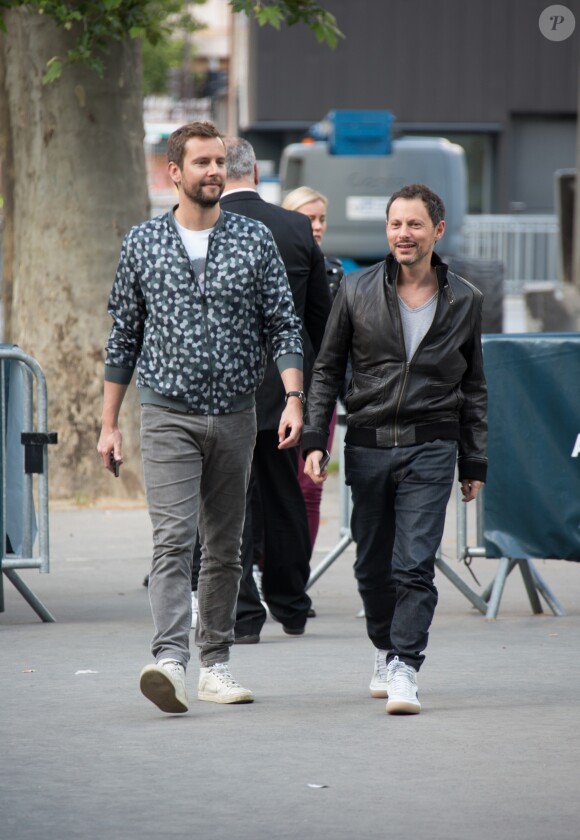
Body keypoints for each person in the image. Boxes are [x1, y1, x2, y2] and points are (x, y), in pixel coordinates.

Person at [97, 121, 305, 715]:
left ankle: (215, 663)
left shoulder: (253, 240)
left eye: (219, 162)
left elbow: (282, 324)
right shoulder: (143, 243)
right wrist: (109, 425)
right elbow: (124, 339)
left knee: (225, 546)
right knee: (173, 540)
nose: (214, 171)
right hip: (167, 415)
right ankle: (169, 660)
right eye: (202, 163)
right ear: (175, 173)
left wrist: (293, 396)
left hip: (238, 415)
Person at [302, 183, 487, 715]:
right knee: (372, 568)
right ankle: (385, 647)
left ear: (438, 230)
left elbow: (474, 386)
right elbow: (327, 369)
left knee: (414, 563)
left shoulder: (465, 299)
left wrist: (474, 458)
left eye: (414, 225)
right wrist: (317, 439)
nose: (403, 234)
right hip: (368, 444)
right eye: (395, 225)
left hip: (433, 444)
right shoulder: (356, 290)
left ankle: (406, 664)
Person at [220, 138, 332, 642]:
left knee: (232, 500)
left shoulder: (205, 227)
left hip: (226, 386)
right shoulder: (294, 227)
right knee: (286, 494)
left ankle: (244, 613)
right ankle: (292, 604)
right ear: (258, 172)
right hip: (289, 385)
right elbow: (320, 319)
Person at [281, 186, 344, 551]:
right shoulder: (276, 266)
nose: (317, 227)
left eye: (321, 219)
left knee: (310, 488)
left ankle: (296, 578)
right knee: (273, 486)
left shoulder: (333, 270)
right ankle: (263, 571)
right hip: (281, 391)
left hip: (321, 392)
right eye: (308, 219)